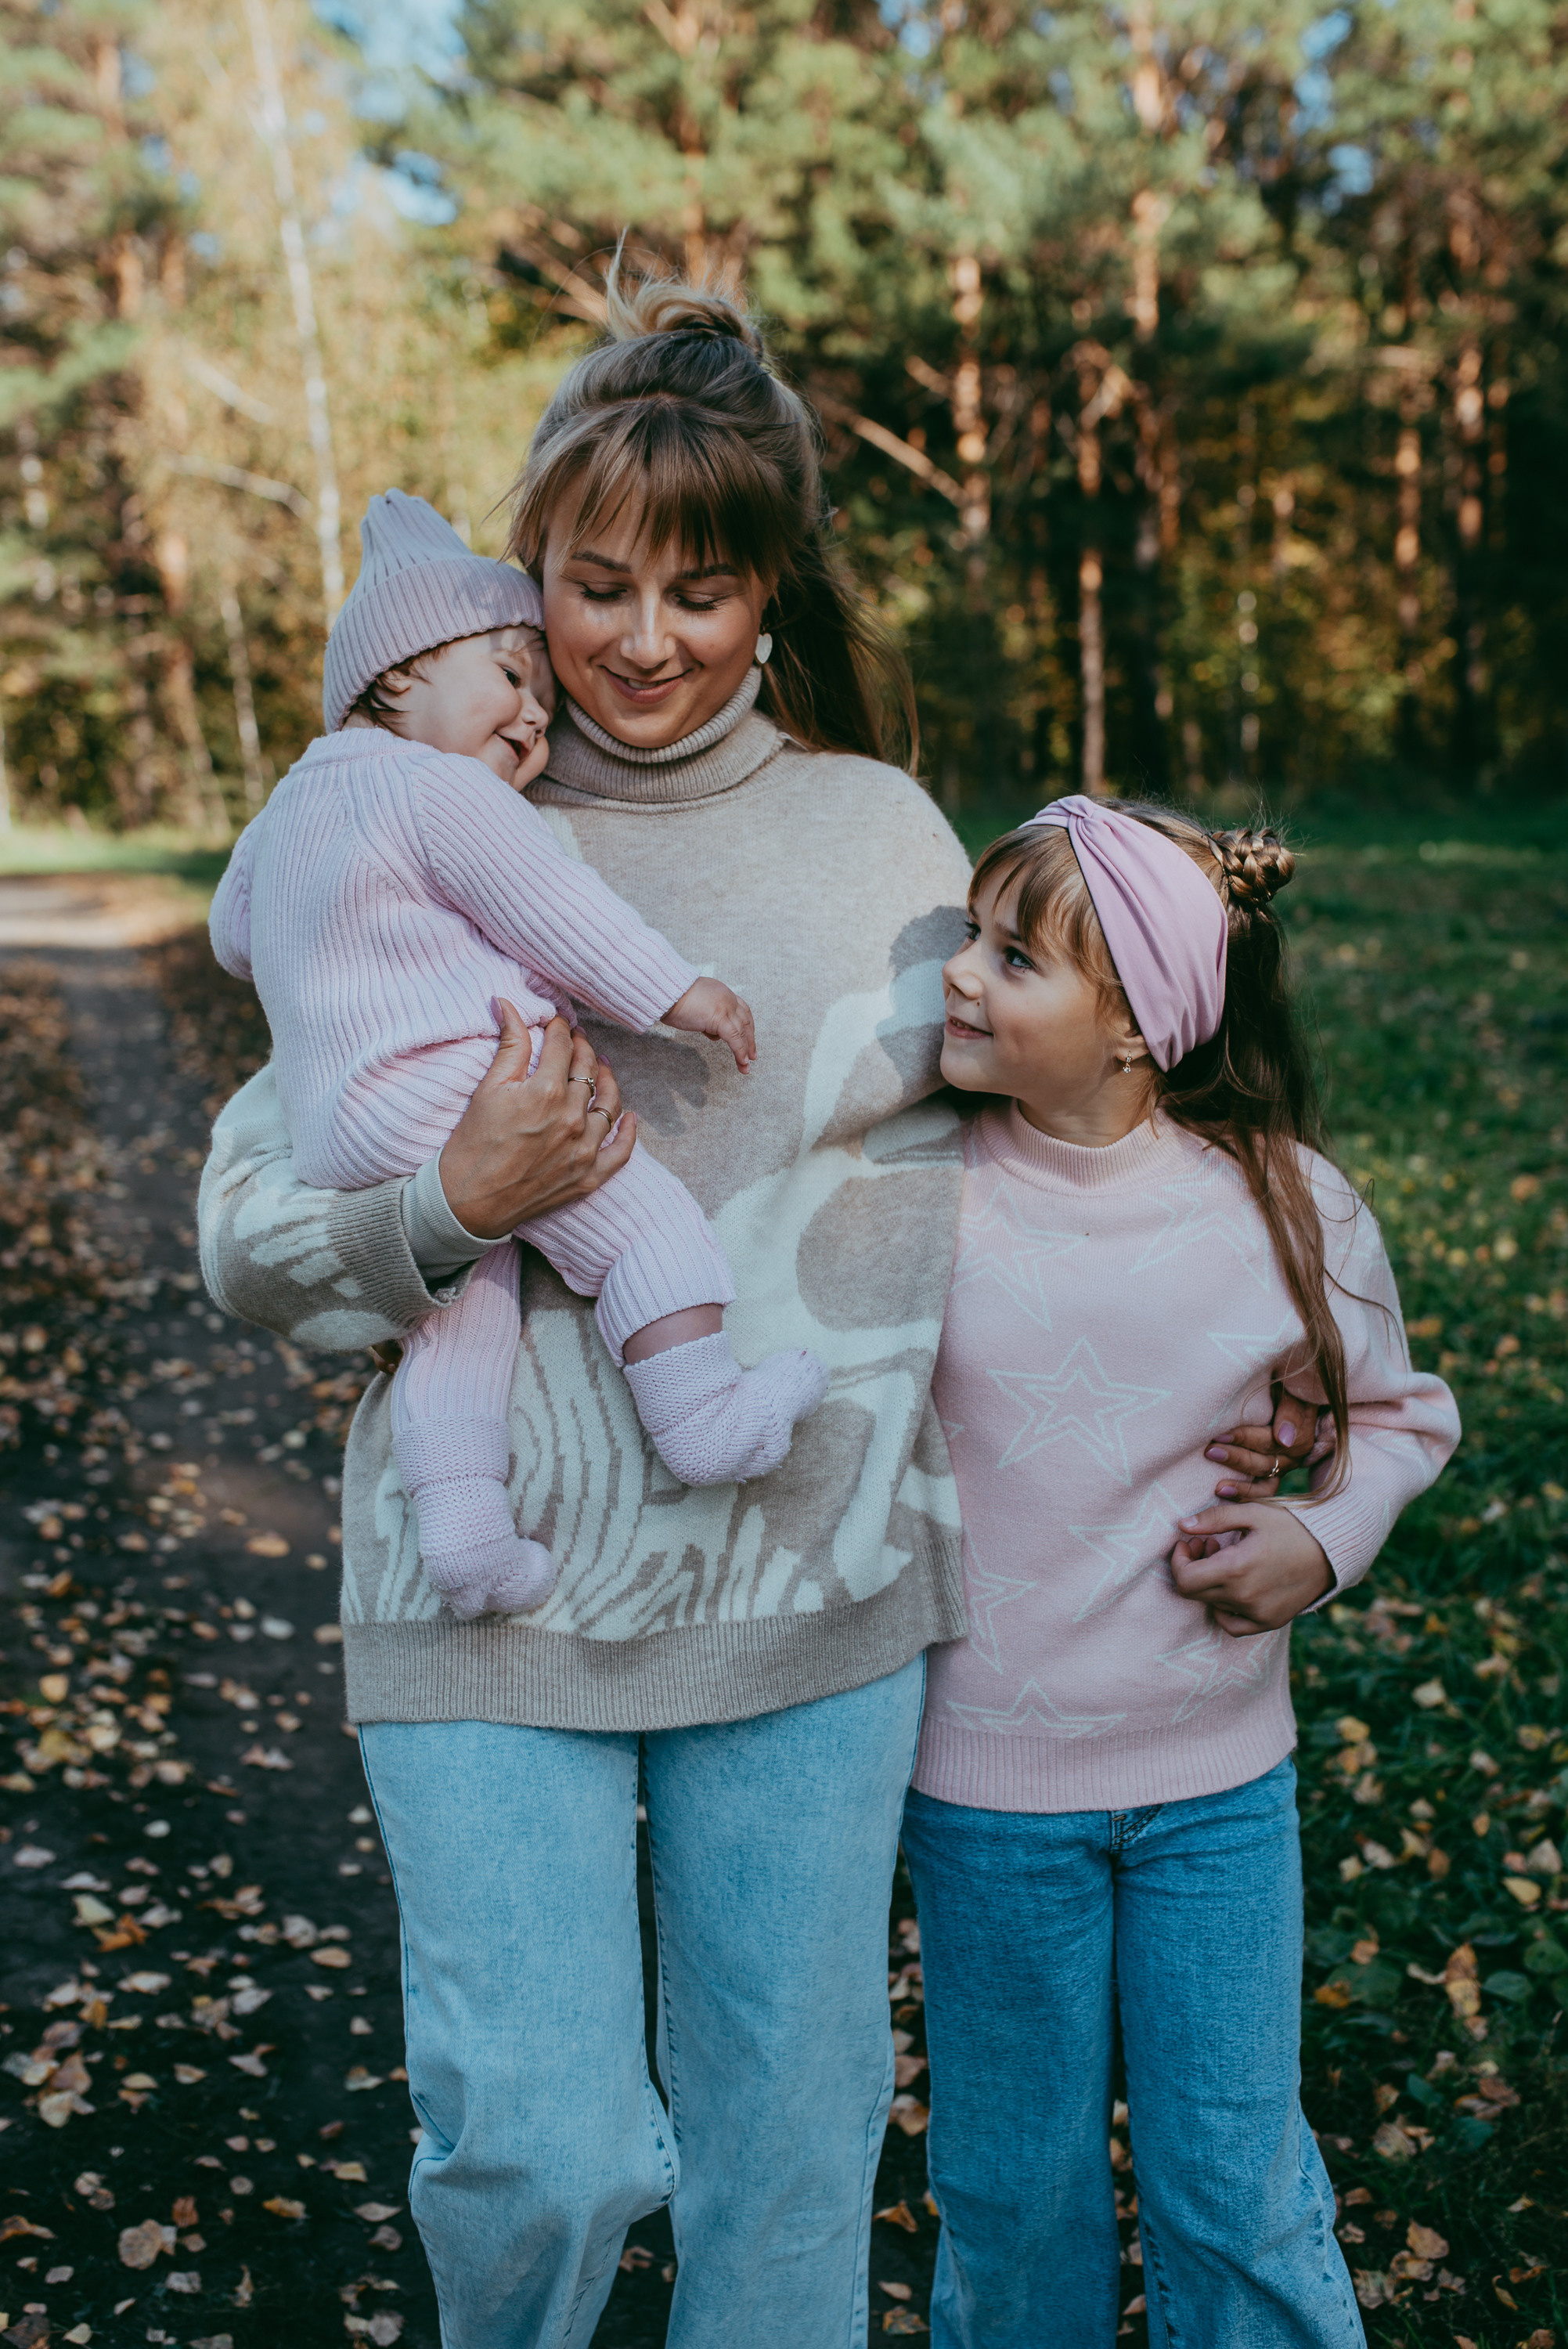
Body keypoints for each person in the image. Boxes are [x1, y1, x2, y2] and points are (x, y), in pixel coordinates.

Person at [198, 265, 1301, 2349]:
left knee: (790, 2160)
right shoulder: (413, 813)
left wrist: (1259, 1377)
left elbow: (1072, 1139)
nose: (632, 640)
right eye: (591, 583)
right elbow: (249, 1232)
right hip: (483, 1591)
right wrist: (439, 1211)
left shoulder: (882, 839)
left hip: (809, 1589)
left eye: (694, 590)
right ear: (529, 575)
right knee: (539, 2144)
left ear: (768, 588)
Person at [899, 796, 1462, 2349]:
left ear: (1140, 1027)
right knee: (1012, 2197)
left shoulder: (1286, 1204)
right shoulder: (919, 1199)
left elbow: (1403, 1417)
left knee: (1237, 2185)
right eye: (966, 933)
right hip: (986, 1802)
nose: (956, 974)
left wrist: (1320, 1537)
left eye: (1013, 957)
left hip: (1221, 1794)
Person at [207, 487, 826, 1621]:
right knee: (641, 1221)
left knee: (455, 1314)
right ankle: (705, 1419)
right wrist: (672, 991)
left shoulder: (287, 806)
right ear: (399, 674)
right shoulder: (438, 787)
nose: (533, 721)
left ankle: (465, 1540)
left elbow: (234, 940)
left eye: (540, 704)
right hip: (463, 1085)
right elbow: (552, 907)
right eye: (510, 674)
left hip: (343, 1131)